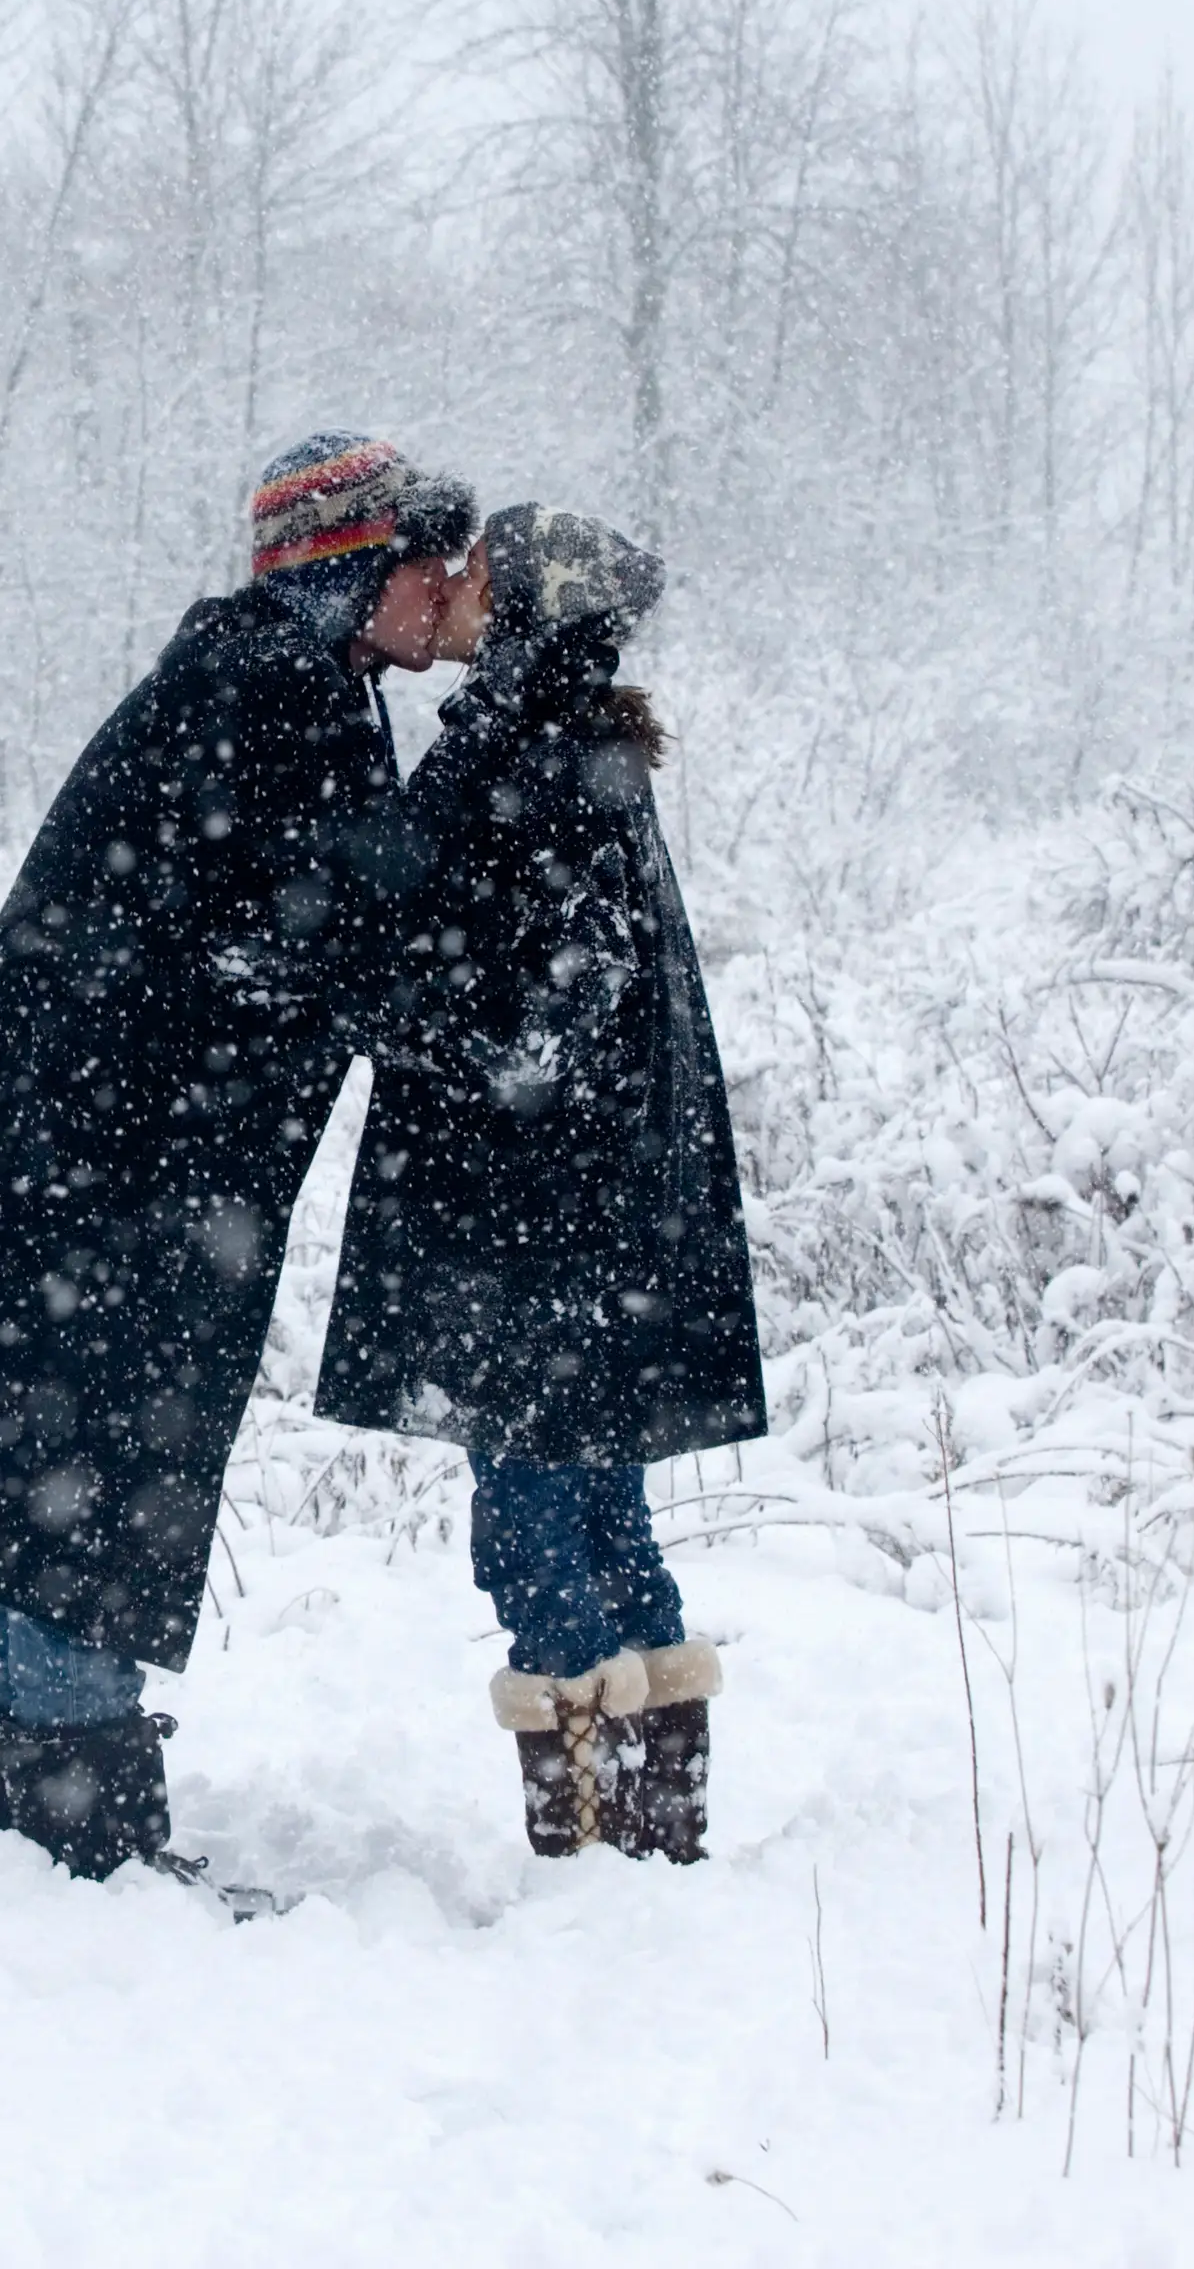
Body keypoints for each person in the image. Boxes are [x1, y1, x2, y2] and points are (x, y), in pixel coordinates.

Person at [0, 432, 476, 1881]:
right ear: (353, 569)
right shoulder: (278, 694)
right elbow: (335, 936)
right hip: (97, 1171)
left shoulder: (273, 680)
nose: (448, 587)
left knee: (50, 1471)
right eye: (426, 558)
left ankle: (51, 1834)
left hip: (72, 1158)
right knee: (75, 1472)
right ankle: (73, 1843)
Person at [316, 502, 767, 1863]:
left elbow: (541, 1014)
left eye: (479, 569)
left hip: (524, 1221)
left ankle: (590, 1840)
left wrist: (380, 1003)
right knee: (602, 1513)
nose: (451, 581)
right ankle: (654, 1823)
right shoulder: (571, 745)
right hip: (582, 1216)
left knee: (532, 1529)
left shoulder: (529, 755)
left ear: (527, 611)